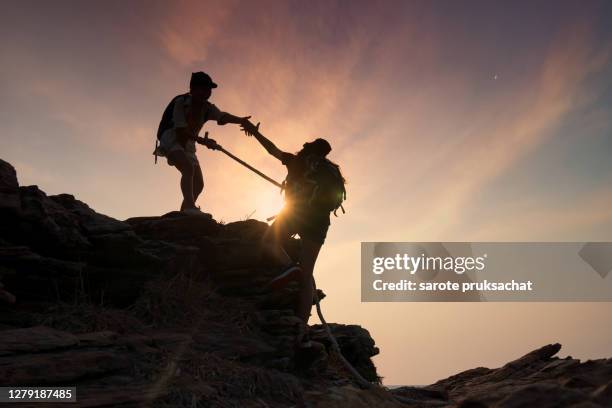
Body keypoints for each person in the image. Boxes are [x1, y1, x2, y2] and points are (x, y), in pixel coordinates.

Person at [241, 122, 346, 334]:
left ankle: (290, 266)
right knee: (308, 276)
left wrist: (255, 132)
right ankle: (301, 326)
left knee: (269, 240)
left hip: (296, 214)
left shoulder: (296, 161)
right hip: (320, 221)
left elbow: (272, 149)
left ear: (309, 147)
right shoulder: (331, 170)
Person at [155, 72, 252, 213]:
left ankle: (184, 212)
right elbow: (180, 131)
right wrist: (205, 142)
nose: (207, 92)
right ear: (193, 89)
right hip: (170, 137)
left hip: (188, 144)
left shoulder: (207, 108)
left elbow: (222, 116)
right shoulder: (180, 102)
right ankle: (189, 206)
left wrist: (241, 120)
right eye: (204, 88)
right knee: (188, 169)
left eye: (209, 89)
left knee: (198, 184)